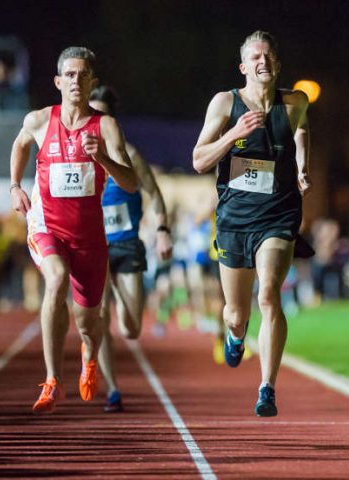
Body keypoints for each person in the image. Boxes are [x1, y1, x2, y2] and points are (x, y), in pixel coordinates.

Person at [9, 47, 138, 414]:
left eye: (83, 75)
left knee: (88, 322)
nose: (76, 81)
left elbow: (130, 183)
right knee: (56, 278)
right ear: (58, 81)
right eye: (69, 74)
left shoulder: (106, 126)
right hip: (46, 225)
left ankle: (89, 353)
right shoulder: (38, 120)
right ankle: (52, 380)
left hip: (89, 236)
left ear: (92, 82)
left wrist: (103, 158)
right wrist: (15, 186)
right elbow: (19, 145)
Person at [192, 31, 311, 417]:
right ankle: (234, 334)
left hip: (278, 214)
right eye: (256, 57)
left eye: (270, 55)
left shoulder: (295, 102)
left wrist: (303, 165)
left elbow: (303, 128)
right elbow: (198, 160)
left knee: (269, 295)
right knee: (237, 312)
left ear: (277, 64)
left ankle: (267, 388)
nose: (264, 61)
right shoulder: (225, 103)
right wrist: (234, 134)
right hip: (234, 219)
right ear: (244, 67)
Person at [88, 86, 172, 412]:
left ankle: (118, 317)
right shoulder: (76, 154)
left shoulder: (130, 155)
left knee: (130, 327)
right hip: (93, 245)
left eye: (101, 115)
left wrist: (162, 230)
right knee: (100, 318)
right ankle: (112, 391)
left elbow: (154, 194)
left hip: (126, 244)